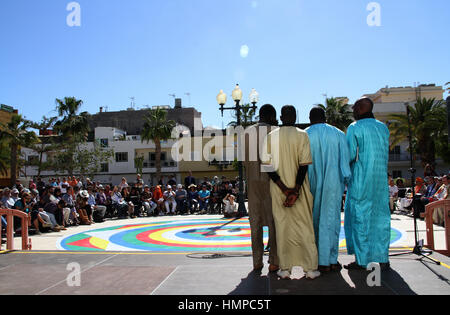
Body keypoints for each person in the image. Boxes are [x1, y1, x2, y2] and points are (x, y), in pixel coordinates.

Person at [262, 105, 320, 280]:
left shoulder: (271, 137)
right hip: (299, 189)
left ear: (280, 117)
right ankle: (310, 268)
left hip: (279, 190)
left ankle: (285, 269)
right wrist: (295, 190)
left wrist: (284, 189)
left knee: (282, 228)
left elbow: (267, 166)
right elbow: (303, 166)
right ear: (295, 117)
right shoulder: (302, 135)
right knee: (305, 227)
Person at [344, 97, 391, 271]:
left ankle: (362, 260)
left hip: (361, 178)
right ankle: (383, 258)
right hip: (380, 180)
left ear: (359, 109)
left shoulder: (355, 127)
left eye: (354, 108)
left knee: (360, 217)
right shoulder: (382, 127)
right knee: (381, 218)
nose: (353, 111)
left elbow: (349, 155)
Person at [306, 107, 351, 273]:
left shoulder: (305, 134)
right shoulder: (339, 134)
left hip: (311, 183)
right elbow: (345, 165)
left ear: (310, 118)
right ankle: (331, 259)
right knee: (331, 220)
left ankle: (316, 259)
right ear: (325, 117)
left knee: (313, 220)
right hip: (334, 183)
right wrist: (346, 179)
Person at [243, 104, 280, 273]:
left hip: (253, 182)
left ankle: (257, 261)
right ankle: (274, 261)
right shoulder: (276, 131)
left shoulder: (247, 132)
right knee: (274, 222)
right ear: (272, 116)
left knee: (255, 223)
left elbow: (243, 161)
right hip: (272, 181)